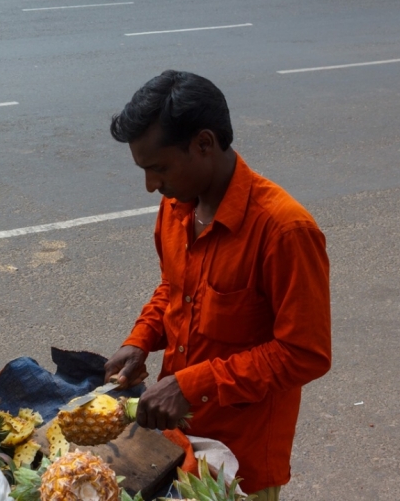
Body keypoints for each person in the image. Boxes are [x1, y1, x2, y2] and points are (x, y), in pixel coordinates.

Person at [104, 70, 332, 498]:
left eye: (158, 168)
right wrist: (141, 340)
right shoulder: (176, 207)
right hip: (174, 441)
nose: (151, 186)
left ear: (204, 144)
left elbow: (305, 353)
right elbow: (174, 288)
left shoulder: (284, 230)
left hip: (242, 461)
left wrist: (193, 385)